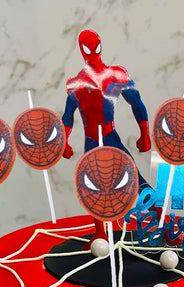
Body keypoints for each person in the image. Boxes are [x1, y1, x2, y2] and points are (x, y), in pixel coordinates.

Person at [62, 30, 152, 244]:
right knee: (93, 188)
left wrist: (145, 134)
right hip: (91, 141)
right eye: (88, 48)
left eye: (96, 47)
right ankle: (100, 233)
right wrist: (64, 141)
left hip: (110, 137)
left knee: (136, 180)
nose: (93, 52)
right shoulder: (75, 84)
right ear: (81, 49)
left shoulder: (115, 75)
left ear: (101, 46)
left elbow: (137, 103)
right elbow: (68, 115)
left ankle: (162, 224)